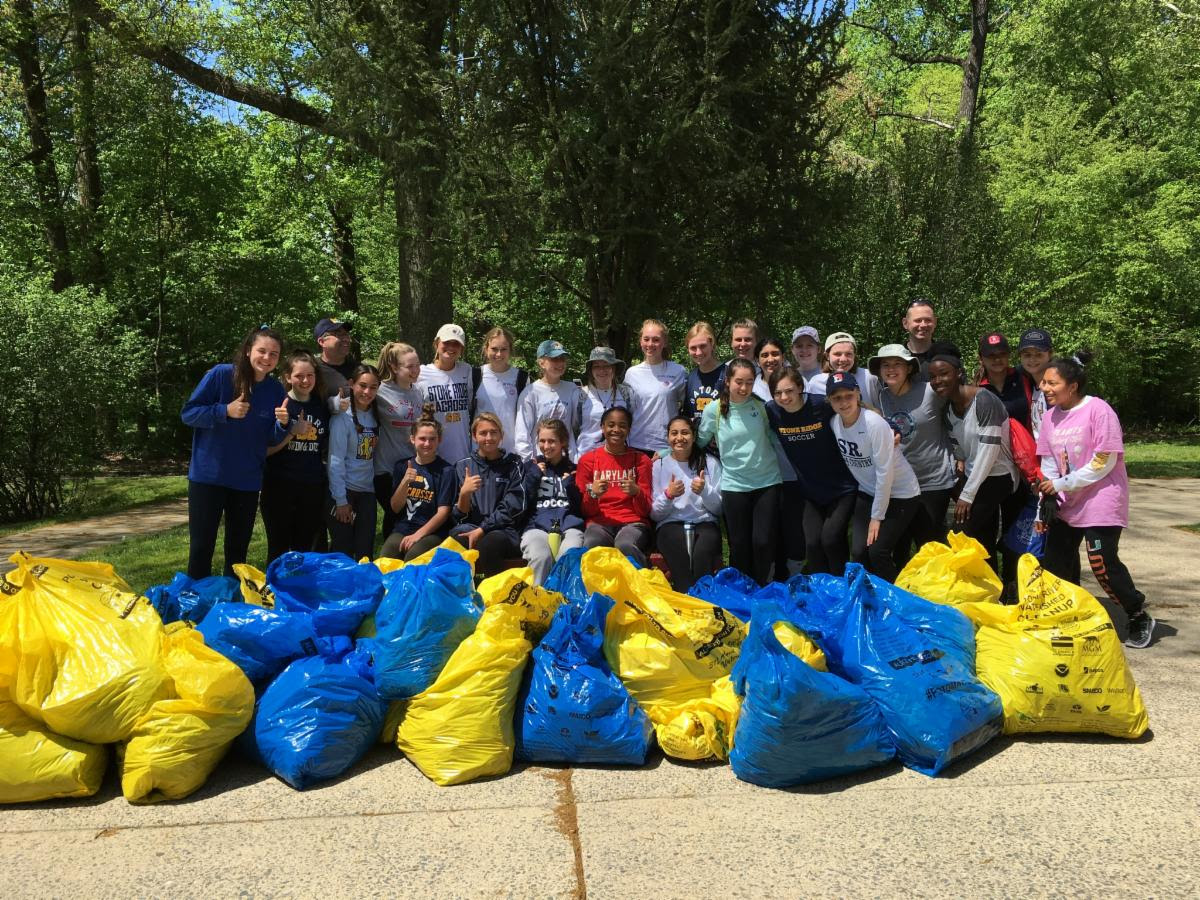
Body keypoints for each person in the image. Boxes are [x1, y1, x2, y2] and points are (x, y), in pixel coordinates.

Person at [1035, 352, 1154, 648]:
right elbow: (1049, 460)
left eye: (1052, 383)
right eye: (1043, 383)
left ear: (1072, 385)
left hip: (1102, 498)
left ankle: (1137, 614)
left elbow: (1105, 461)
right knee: (1055, 564)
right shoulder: (1049, 417)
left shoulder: (1098, 410)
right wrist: (1049, 495)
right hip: (1068, 500)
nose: (1044, 388)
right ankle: (1073, 617)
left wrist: (1061, 483)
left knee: (1101, 562)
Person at [182, 326, 289, 578]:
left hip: (247, 482)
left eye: (274, 354)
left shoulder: (275, 390)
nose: (267, 358)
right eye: (261, 351)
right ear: (248, 350)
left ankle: (231, 607)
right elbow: (188, 414)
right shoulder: (221, 375)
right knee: (201, 548)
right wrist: (224, 411)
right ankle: (194, 604)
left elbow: (270, 438)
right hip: (208, 478)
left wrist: (283, 424)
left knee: (237, 552)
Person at [927, 349, 1025, 585]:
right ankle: (991, 594)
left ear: (959, 373)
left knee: (961, 531)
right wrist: (959, 478)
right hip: (975, 476)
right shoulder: (949, 411)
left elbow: (989, 451)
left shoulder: (984, 400)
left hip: (999, 476)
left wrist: (967, 495)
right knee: (982, 540)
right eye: (933, 376)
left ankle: (1012, 589)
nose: (938, 380)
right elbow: (960, 450)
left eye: (944, 373)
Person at [826, 370, 922, 582]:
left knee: (877, 551)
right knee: (859, 552)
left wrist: (877, 517)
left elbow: (884, 473)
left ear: (858, 393)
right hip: (868, 491)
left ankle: (897, 599)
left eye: (848, 395)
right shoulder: (835, 423)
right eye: (837, 398)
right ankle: (869, 596)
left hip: (901, 493)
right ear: (830, 401)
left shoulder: (874, 424)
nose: (844, 403)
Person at [698, 358, 783, 585]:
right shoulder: (714, 410)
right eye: (738, 382)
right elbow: (698, 440)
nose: (744, 388)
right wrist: (668, 452)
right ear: (727, 381)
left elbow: (780, 436)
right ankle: (740, 590)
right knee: (739, 544)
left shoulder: (762, 407)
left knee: (763, 542)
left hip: (767, 482)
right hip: (734, 485)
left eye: (749, 382)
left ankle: (762, 587)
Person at [766, 366, 858, 576]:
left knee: (832, 539)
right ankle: (820, 594)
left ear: (800, 387)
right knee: (813, 545)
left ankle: (842, 588)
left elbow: (859, 409)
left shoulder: (821, 405)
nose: (784, 397)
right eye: (778, 393)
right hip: (810, 492)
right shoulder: (772, 411)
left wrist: (891, 427)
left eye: (789, 391)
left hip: (842, 488)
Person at [871, 343, 956, 551]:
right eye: (886, 365)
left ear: (909, 368)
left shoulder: (930, 391)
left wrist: (961, 455)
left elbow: (957, 414)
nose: (891, 369)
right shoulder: (882, 397)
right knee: (899, 545)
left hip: (933, 481)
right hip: (900, 484)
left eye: (897, 364)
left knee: (930, 545)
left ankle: (936, 584)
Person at [261, 349, 330, 565]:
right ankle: (275, 592)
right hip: (279, 485)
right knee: (279, 546)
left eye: (310, 375)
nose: (305, 380)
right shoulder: (279, 405)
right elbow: (265, 447)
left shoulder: (321, 405)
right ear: (288, 377)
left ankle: (302, 592)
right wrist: (290, 428)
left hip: (312, 486)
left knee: (306, 546)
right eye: (299, 375)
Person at [450, 413, 528, 576]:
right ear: (474, 436)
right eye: (483, 433)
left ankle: (494, 596)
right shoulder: (462, 466)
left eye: (494, 432)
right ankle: (463, 596)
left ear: (501, 436)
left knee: (490, 543)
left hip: (503, 530)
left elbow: (514, 506)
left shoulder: (514, 464)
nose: (489, 438)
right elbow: (459, 517)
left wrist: (483, 529)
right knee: (456, 538)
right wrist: (464, 494)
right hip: (471, 527)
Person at [651, 416, 723, 592]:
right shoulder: (659, 465)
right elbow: (654, 514)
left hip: (704, 522)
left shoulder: (710, 463)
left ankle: (704, 600)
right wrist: (668, 496)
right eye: (674, 433)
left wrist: (705, 491)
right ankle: (686, 598)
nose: (679, 438)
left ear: (693, 435)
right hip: (670, 523)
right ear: (668, 437)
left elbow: (719, 509)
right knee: (678, 556)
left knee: (702, 556)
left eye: (685, 433)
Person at [575, 406, 654, 566]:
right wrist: (593, 494)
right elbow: (584, 511)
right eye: (611, 425)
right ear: (602, 428)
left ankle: (640, 585)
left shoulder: (641, 460)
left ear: (629, 430)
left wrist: (636, 492)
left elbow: (646, 510)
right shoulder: (588, 460)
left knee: (624, 544)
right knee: (592, 544)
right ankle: (594, 589)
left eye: (622, 425)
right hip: (598, 523)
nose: (616, 430)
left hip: (633, 522)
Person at [379, 414, 454, 561]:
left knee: (413, 557)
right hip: (404, 527)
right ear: (412, 439)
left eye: (432, 439)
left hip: (433, 532)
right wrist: (405, 481)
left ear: (439, 440)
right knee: (387, 557)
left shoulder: (446, 471)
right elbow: (394, 507)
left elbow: (443, 513)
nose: (427, 443)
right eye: (422, 439)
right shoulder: (402, 466)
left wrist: (418, 535)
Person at [520, 418, 586, 584]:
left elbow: (582, 508)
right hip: (537, 527)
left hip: (569, 527)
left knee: (568, 555)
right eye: (542, 441)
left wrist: (570, 486)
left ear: (562, 442)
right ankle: (537, 603)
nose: (546, 446)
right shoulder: (529, 468)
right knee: (541, 556)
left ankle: (565, 603)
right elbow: (521, 502)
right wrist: (534, 476)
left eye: (552, 441)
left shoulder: (575, 470)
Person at [327, 364, 382, 561]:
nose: (367, 392)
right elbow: (335, 460)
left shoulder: (376, 414)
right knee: (342, 551)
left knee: (365, 551)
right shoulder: (342, 417)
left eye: (373, 387)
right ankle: (339, 591)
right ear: (351, 384)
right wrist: (341, 501)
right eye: (362, 386)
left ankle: (362, 591)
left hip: (367, 492)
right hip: (344, 492)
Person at [374, 342, 425, 536]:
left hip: (410, 467)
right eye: (409, 366)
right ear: (394, 367)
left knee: (407, 518)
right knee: (394, 514)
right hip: (386, 468)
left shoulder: (418, 391)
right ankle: (389, 558)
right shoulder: (379, 391)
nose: (415, 370)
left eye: (417, 365)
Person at [623, 319, 686, 456]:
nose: (650, 344)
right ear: (641, 341)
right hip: (636, 444)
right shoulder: (631, 373)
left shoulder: (678, 371)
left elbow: (685, 406)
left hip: (668, 446)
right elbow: (627, 409)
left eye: (656, 340)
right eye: (646, 339)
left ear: (664, 342)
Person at [515, 340, 582, 461]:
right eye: (554, 359)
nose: (560, 363)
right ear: (541, 363)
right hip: (541, 461)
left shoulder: (572, 389)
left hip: (568, 460)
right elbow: (522, 434)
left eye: (563, 359)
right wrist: (531, 463)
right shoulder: (531, 393)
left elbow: (578, 424)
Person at [418, 323, 473, 465]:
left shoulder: (468, 371)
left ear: (462, 348)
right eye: (447, 342)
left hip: (463, 455)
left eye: (456, 344)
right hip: (432, 455)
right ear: (436, 343)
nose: (451, 347)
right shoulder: (421, 373)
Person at [472, 326, 528, 454]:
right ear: (486, 349)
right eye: (494, 349)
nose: (499, 354)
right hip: (480, 451)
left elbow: (526, 419)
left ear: (510, 351)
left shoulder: (521, 378)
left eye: (503, 349)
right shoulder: (475, 375)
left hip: (510, 451)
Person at [576, 346, 634, 455]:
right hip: (587, 456)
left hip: (619, 457)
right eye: (596, 366)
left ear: (614, 368)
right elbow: (574, 426)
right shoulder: (581, 395)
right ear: (591, 370)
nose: (601, 370)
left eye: (606, 365)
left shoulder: (627, 394)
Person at [807, 332, 880, 407]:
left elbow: (880, 410)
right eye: (837, 354)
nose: (843, 359)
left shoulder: (869, 377)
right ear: (827, 356)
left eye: (849, 354)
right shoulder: (815, 383)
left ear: (854, 355)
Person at [977, 332, 1032, 429]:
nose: (997, 359)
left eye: (1002, 354)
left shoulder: (1024, 375)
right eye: (991, 355)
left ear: (1009, 355)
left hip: (1027, 442)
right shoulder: (978, 389)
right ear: (981, 359)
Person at [682, 321, 726, 427]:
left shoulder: (727, 373)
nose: (698, 352)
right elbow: (688, 414)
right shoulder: (691, 377)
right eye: (693, 348)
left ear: (712, 344)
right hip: (698, 440)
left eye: (703, 346)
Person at [313, 317, 357, 410]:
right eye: (338, 334)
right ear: (322, 341)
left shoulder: (359, 369)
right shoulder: (311, 370)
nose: (346, 338)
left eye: (346, 334)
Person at [1018, 328, 1054, 440]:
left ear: (1050, 354)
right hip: (1043, 455)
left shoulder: (1058, 387)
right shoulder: (1029, 386)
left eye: (1039, 355)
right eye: (1027, 355)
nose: (1032, 359)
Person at [902, 299, 938, 375]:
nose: (923, 325)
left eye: (928, 320)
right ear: (905, 323)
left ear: (935, 322)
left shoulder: (947, 357)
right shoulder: (895, 359)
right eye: (918, 320)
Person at [752, 336, 787, 402]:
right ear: (757, 361)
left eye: (775, 354)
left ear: (783, 357)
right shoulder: (752, 388)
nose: (770, 360)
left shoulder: (797, 381)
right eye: (765, 355)